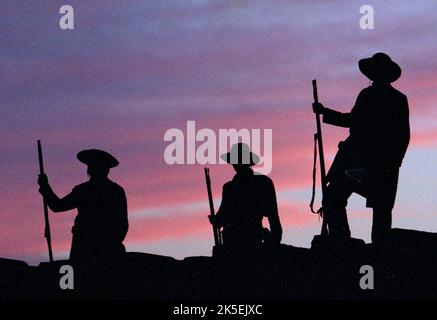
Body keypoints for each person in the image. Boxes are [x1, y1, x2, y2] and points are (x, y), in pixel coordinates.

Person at [313, 52, 410, 243]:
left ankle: (347, 242)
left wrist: (392, 162)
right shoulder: (371, 95)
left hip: (371, 166)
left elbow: (402, 135)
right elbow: (354, 120)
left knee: (373, 207)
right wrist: (326, 113)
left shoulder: (395, 99)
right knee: (337, 195)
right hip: (364, 165)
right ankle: (342, 240)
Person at [37, 149, 129, 262]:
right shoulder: (114, 190)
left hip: (91, 247)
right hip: (89, 246)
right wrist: (45, 187)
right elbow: (58, 206)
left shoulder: (87, 190)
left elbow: (58, 206)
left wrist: (45, 187)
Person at [209, 143, 283, 250]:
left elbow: (273, 215)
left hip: (246, 240)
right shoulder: (231, 187)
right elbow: (222, 217)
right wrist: (216, 220)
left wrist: (275, 239)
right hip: (238, 240)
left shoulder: (260, 183)